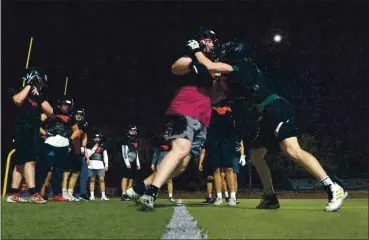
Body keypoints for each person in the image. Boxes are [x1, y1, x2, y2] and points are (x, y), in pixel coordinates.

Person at [185, 40, 348, 212]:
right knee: (256, 154)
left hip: (275, 108)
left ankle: (332, 187)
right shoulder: (234, 79)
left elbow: (209, 66)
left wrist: (195, 50)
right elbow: (215, 96)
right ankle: (270, 197)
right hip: (264, 115)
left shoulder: (240, 66)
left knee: (292, 150)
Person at [127, 27, 226, 210]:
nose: (210, 42)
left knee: (182, 165)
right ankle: (151, 194)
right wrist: (194, 65)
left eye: (212, 40)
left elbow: (216, 97)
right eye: (206, 39)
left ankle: (139, 188)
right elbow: (175, 68)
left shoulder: (212, 64)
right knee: (181, 149)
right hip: (185, 107)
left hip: (203, 115)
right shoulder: (191, 57)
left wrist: (218, 82)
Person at [7, 67, 53, 204]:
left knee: (20, 163)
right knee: (29, 161)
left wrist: (38, 96)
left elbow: (50, 111)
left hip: (33, 130)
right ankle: (33, 193)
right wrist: (28, 85)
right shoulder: (18, 89)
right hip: (21, 129)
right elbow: (17, 100)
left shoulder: (37, 95)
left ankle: (14, 193)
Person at [38, 96, 79, 202]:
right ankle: (36, 192)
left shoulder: (71, 118)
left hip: (63, 146)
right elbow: (36, 123)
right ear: (60, 105)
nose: (65, 107)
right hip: (50, 144)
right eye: (64, 105)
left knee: (57, 171)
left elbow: (76, 131)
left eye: (68, 105)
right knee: (45, 168)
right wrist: (45, 133)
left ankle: (56, 194)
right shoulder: (52, 113)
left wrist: (70, 138)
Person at [150, 130, 175, 202]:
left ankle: (170, 196)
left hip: (169, 163)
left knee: (169, 180)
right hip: (160, 163)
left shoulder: (172, 143)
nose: (166, 135)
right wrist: (153, 163)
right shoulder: (159, 142)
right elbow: (156, 153)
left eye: (167, 134)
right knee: (158, 180)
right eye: (165, 134)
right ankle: (154, 195)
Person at [120, 126, 141, 201]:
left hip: (134, 161)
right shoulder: (125, 139)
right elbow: (124, 152)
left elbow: (136, 152)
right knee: (125, 177)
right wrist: (127, 163)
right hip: (127, 161)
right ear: (129, 131)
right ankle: (123, 194)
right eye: (132, 130)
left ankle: (128, 194)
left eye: (134, 130)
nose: (133, 131)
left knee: (132, 178)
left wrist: (138, 163)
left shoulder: (136, 140)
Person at [87, 132, 109, 201]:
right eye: (96, 138)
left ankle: (103, 196)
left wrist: (106, 165)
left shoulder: (103, 145)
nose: (97, 139)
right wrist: (94, 148)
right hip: (91, 165)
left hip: (100, 165)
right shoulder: (90, 144)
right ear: (93, 138)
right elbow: (88, 155)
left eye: (98, 138)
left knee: (102, 180)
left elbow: (105, 156)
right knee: (92, 180)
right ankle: (92, 196)